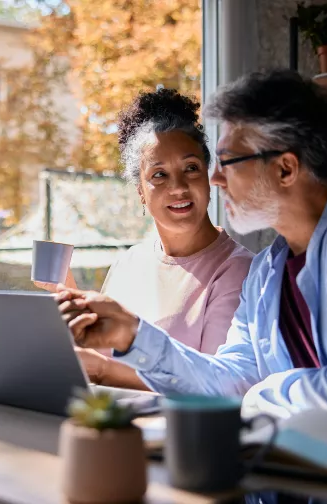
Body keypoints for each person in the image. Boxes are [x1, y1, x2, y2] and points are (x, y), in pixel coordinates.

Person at [57, 69, 327, 418]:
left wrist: (261, 395)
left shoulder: (244, 268)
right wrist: (133, 336)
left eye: (229, 162)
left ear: (285, 169)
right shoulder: (265, 275)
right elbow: (229, 382)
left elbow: (247, 392)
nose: (215, 179)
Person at [66, 89, 253, 389]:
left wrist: (104, 370)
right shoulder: (127, 264)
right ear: (140, 191)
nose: (178, 187)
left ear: (207, 175)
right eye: (159, 175)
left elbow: (217, 385)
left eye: (190, 168)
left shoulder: (238, 272)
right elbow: (90, 357)